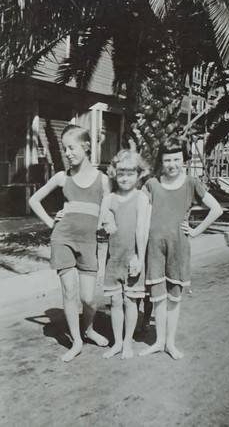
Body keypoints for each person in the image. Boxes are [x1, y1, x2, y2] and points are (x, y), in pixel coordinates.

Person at [29, 124, 110, 362]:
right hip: (62, 239)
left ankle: (89, 329)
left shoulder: (103, 180)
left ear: (86, 147)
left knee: (88, 298)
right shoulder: (62, 178)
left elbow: (110, 209)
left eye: (71, 147)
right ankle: (76, 342)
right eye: (65, 148)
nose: (67, 153)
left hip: (88, 243)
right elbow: (35, 200)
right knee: (69, 291)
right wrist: (51, 223)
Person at [139, 137, 223, 360]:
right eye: (167, 160)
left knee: (174, 298)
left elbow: (216, 209)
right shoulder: (152, 184)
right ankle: (158, 342)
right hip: (154, 249)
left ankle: (170, 343)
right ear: (162, 161)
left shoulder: (191, 184)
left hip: (178, 250)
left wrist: (196, 231)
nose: (172, 164)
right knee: (157, 297)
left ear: (184, 160)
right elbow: (138, 212)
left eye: (177, 159)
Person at [97, 149, 150, 359]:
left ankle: (128, 342)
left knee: (130, 302)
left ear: (138, 175)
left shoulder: (141, 198)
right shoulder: (109, 199)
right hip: (113, 259)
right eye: (120, 174)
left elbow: (142, 230)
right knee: (116, 302)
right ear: (114, 174)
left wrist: (139, 256)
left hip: (133, 257)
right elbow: (102, 224)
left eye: (129, 174)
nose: (125, 178)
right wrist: (106, 221)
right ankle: (117, 342)